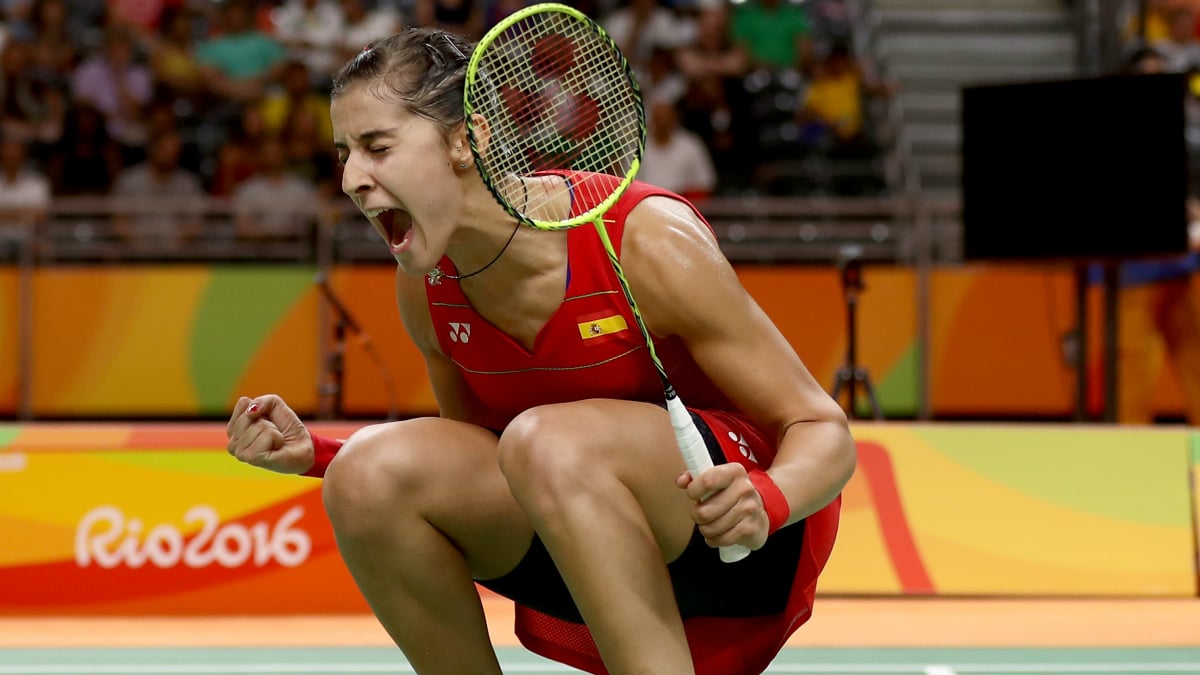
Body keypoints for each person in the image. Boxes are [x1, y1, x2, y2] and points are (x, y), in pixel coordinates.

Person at [224, 27, 854, 675]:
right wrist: (324, 454)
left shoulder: (643, 240)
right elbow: (474, 456)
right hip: (576, 511)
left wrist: (767, 500)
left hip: (740, 530)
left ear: (467, 139)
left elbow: (823, 428)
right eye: (343, 154)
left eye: (377, 147)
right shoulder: (428, 286)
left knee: (546, 439)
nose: (353, 178)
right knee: (366, 477)